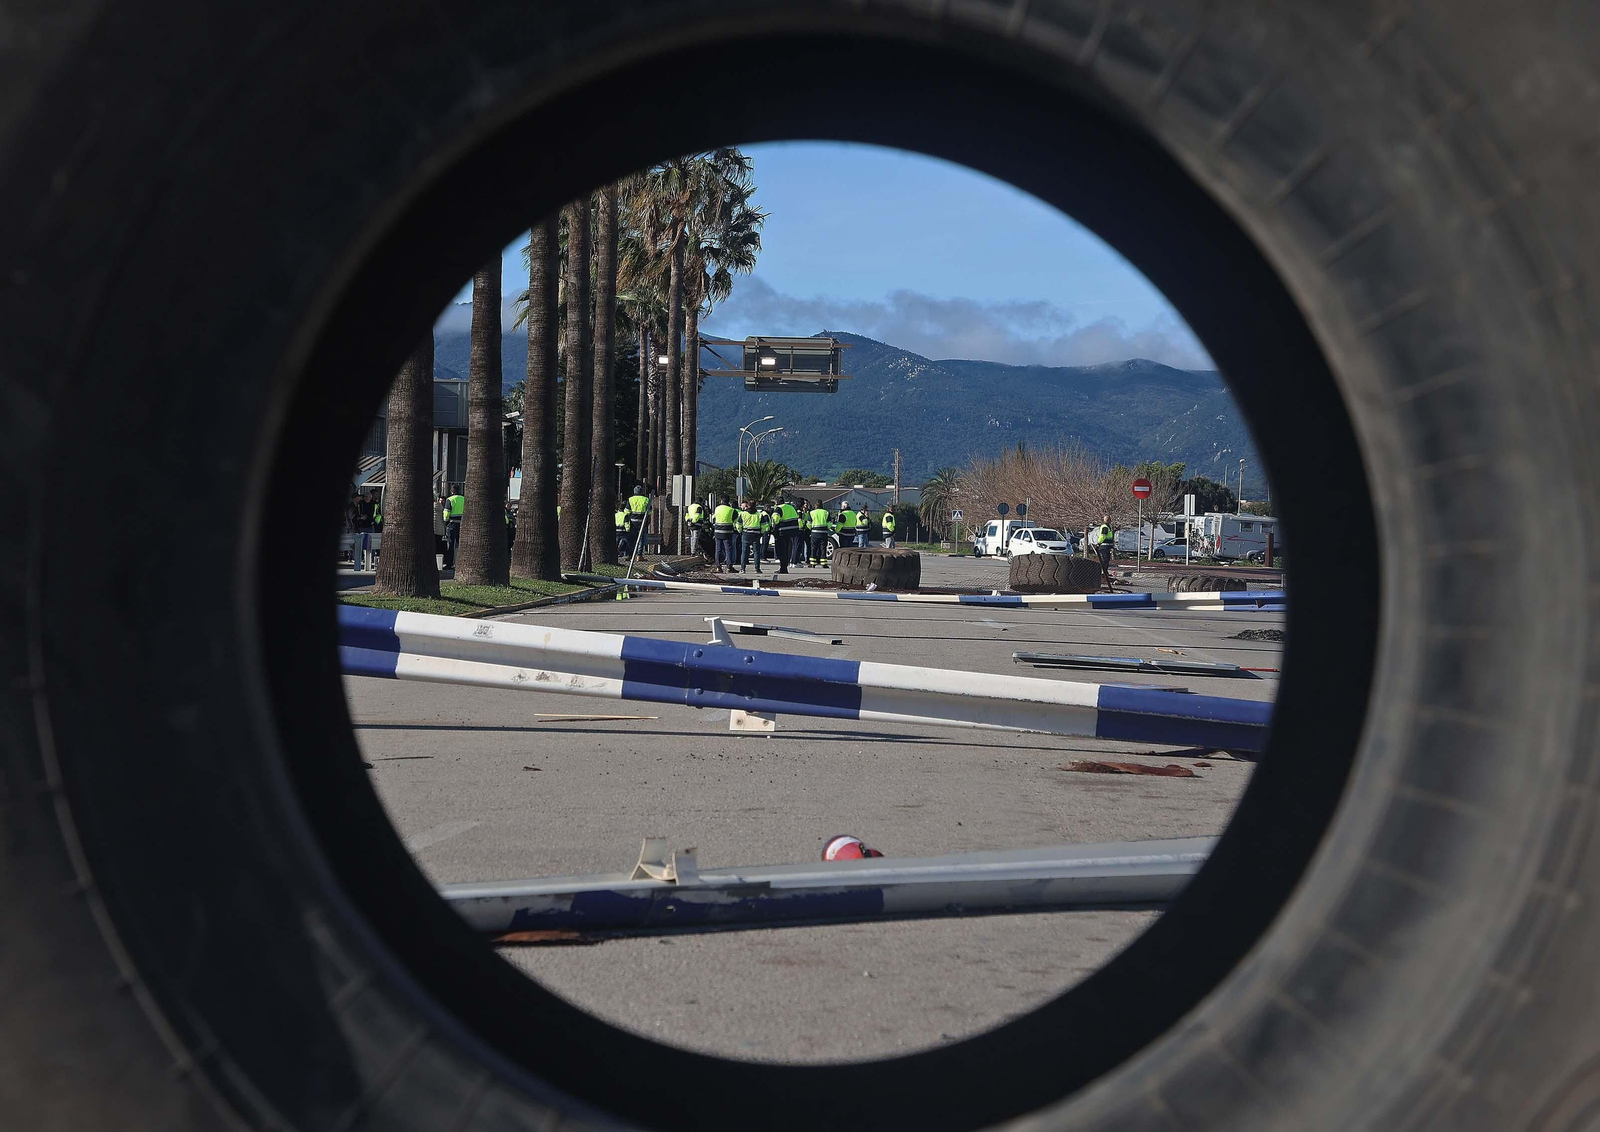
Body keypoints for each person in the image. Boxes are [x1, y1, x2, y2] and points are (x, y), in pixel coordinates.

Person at [772, 499, 801, 575]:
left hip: (782, 532)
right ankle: (785, 567)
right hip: (791, 531)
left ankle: (783, 568)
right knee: (787, 549)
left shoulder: (778, 509)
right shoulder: (791, 507)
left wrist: (774, 527)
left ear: (777, 502)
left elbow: (776, 519)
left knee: (781, 551)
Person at [711, 495, 737, 572]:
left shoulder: (717, 509)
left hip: (718, 532)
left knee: (718, 549)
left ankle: (718, 566)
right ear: (729, 501)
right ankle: (729, 566)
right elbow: (735, 519)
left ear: (721, 500)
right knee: (728, 549)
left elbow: (713, 518)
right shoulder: (732, 510)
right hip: (727, 532)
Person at [737, 500, 764, 573]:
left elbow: (738, 525)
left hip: (746, 534)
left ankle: (743, 569)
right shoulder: (759, 514)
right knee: (756, 552)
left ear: (748, 506)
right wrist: (761, 533)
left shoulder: (743, 514)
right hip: (756, 535)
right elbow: (764, 526)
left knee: (744, 552)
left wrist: (740, 532)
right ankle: (757, 569)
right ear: (755, 506)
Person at [441, 485, 465, 570]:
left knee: (450, 544)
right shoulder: (463, 499)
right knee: (460, 544)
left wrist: (445, 521)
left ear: (451, 491)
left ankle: (449, 564)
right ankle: (460, 563)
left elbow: (446, 513)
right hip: (462, 524)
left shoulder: (450, 499)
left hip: (452, 524)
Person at [1091, 513, 1115, 588]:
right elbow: (1103, 536)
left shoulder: (1108, 526)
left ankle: (1105, 572)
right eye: (1109, 519)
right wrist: (1098, 544)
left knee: (1106, 560)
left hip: (1107, 546)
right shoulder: (1105, 527)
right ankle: (1103, 572)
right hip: (1104, 546)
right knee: (1105, 560)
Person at [807, 500, 833, 566]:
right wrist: (826, 528)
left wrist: (811, 528)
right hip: (823, 533)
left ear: (816, 505)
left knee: (813, 548)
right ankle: (824, 563)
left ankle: (813, 563)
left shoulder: (812, 513)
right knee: (823, 548)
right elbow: (830, 523)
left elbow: (808, 524)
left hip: (814, 533)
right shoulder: (826, 512)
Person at [626, 484, 650, 548]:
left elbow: (627, 511)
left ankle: (631, 554)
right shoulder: (646, 500)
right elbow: (649, 512)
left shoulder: (630, 499)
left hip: (633, 522)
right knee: (641, 539)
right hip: (642, 522)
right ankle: (639, 555)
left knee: (632, 539)